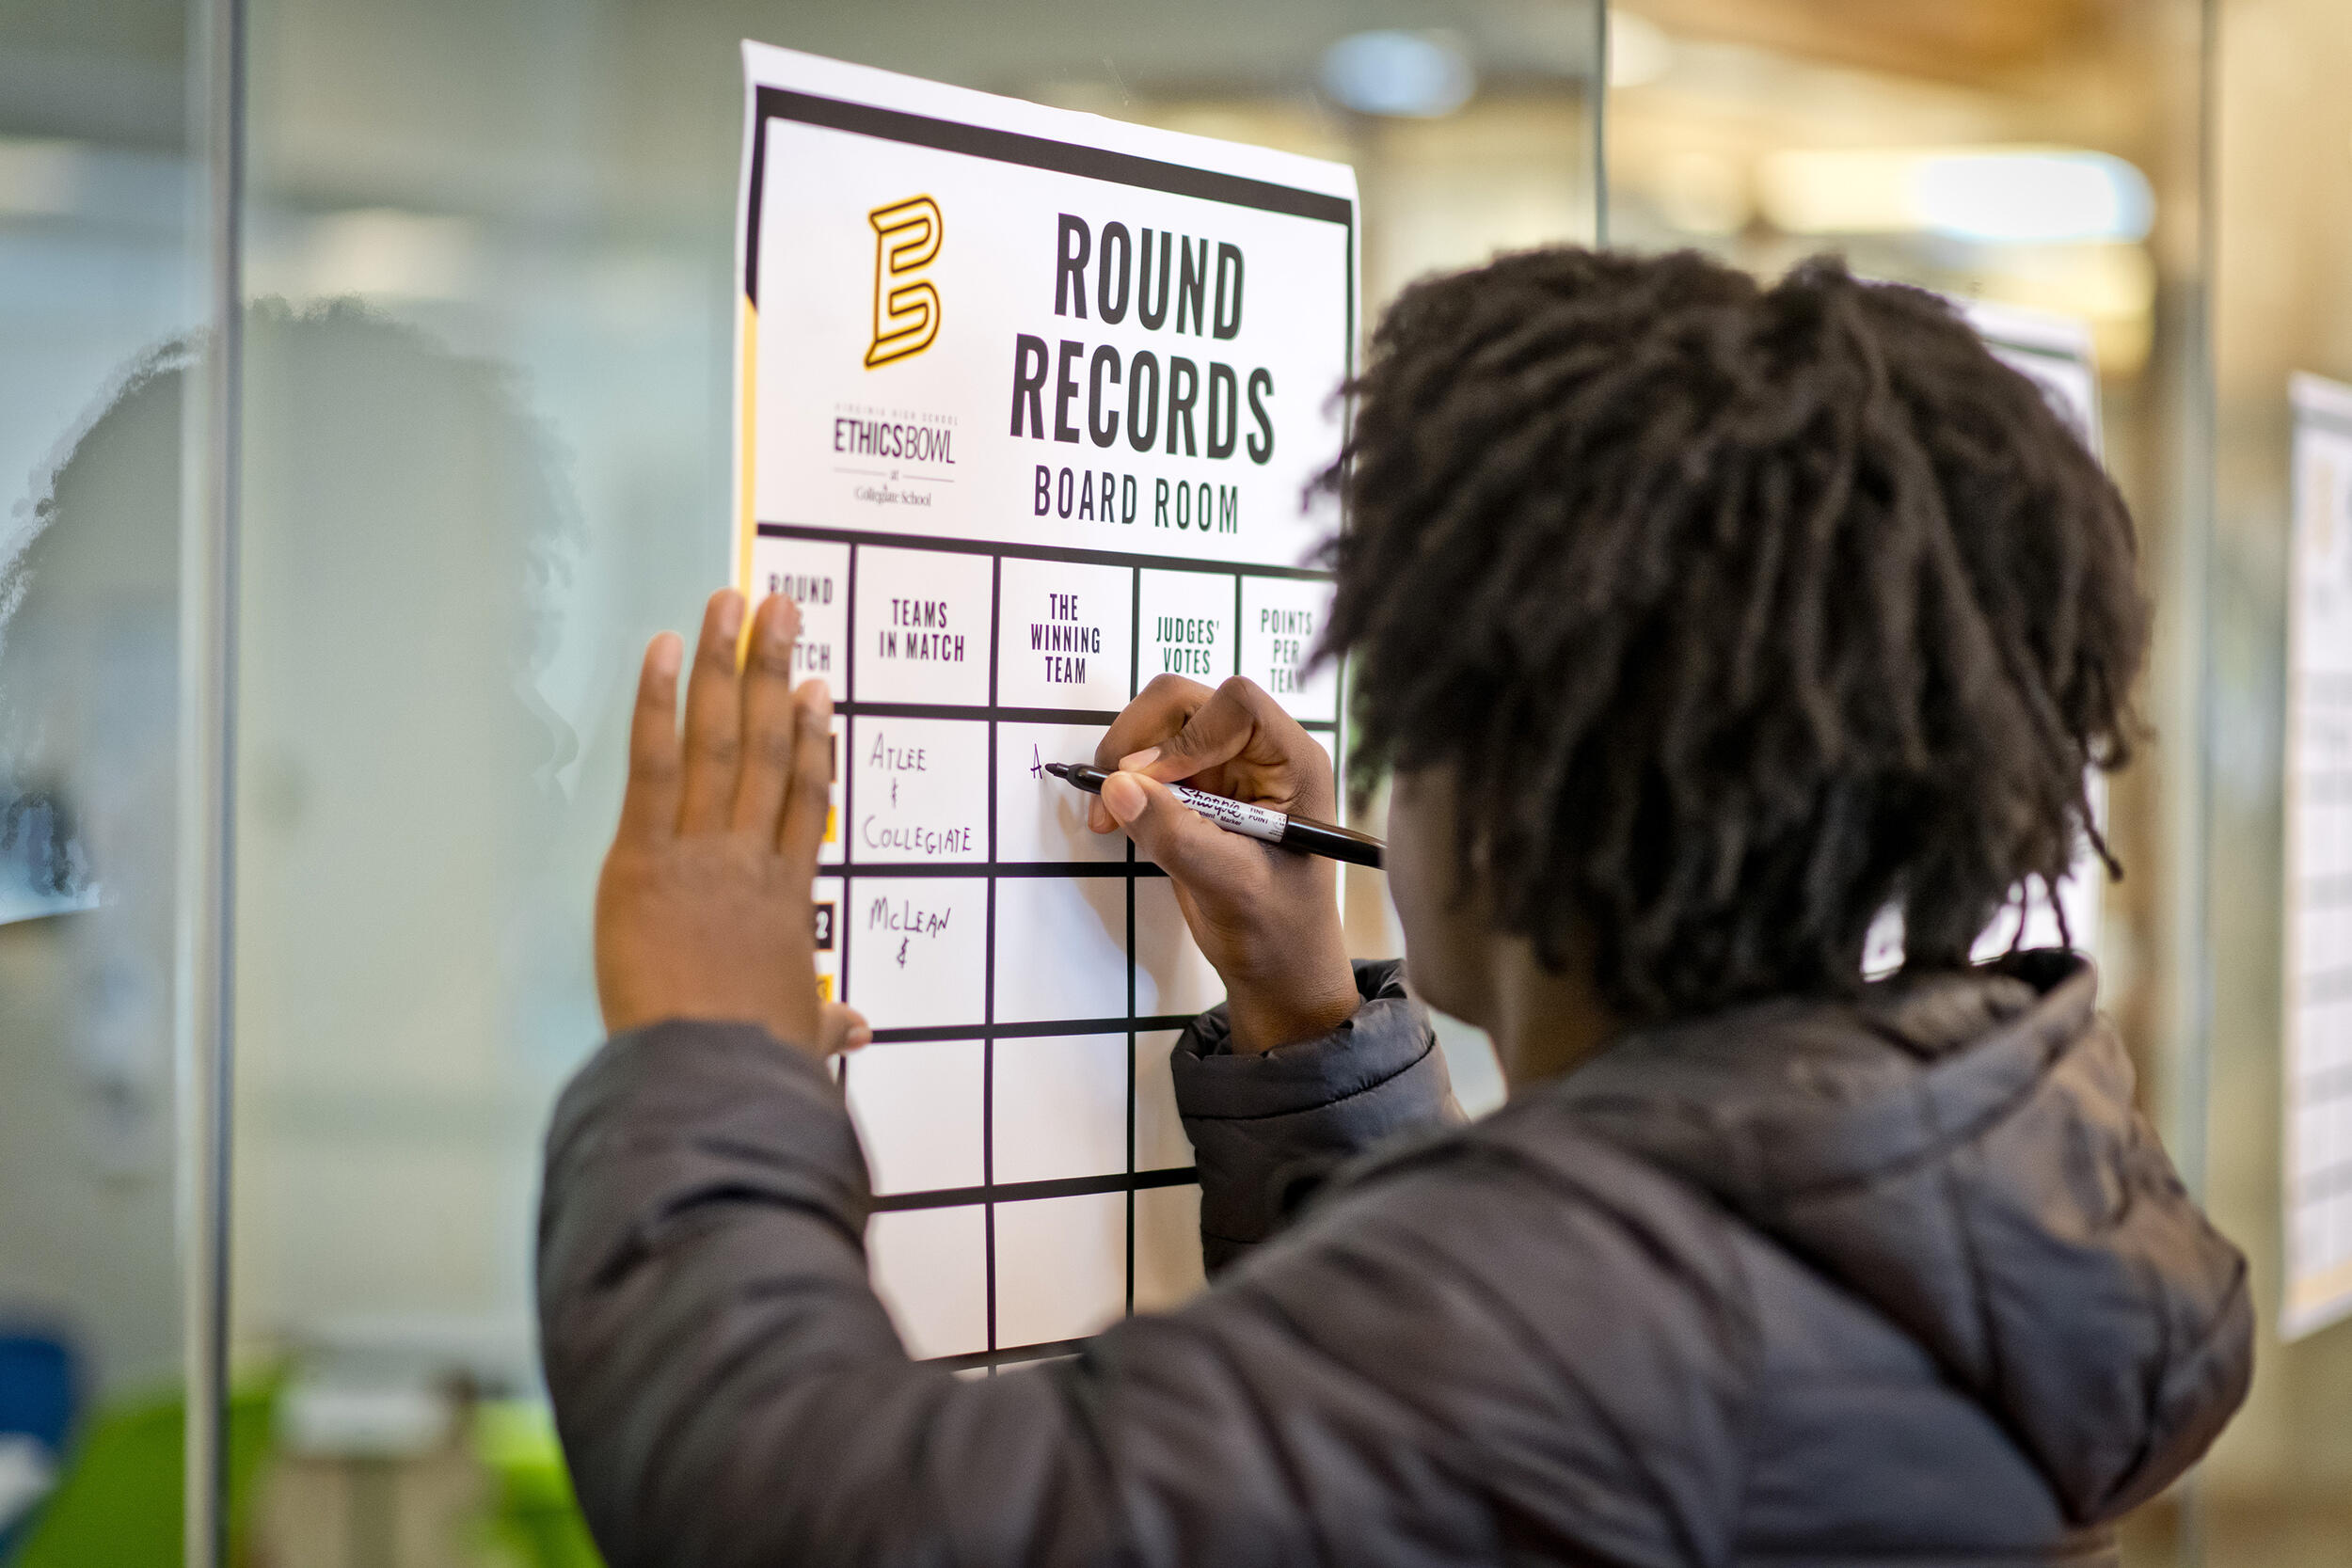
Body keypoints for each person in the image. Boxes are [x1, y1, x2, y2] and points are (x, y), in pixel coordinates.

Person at [539, 249, 2251, 1567]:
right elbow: (1468, 1451)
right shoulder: (1984, 1163)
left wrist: (707, 1049)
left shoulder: (1584, 1336)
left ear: (1503, 801)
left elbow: (826, 1523)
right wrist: (1309, 1019)